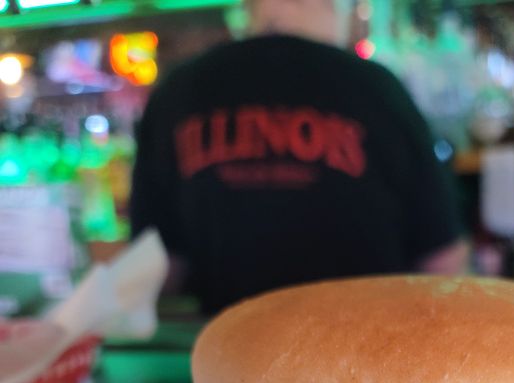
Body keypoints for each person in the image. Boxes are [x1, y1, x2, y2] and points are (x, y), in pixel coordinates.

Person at [129, 0, 468, 314]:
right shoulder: (378, 89)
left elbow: (159, 270)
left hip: (228, 354)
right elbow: (443, 261)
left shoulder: (177, 94)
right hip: (363, 357)